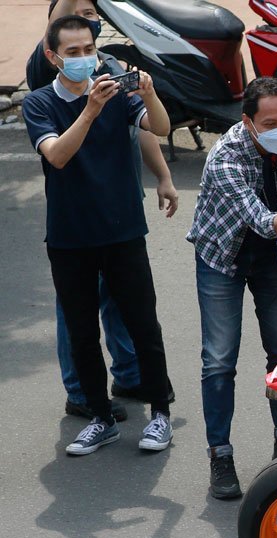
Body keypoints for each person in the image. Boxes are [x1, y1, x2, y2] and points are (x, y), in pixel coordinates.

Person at [22, 14, 174, 455]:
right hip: (70, 238)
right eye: (73, 53)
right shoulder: (38, 105)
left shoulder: (118, 93)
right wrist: (90, 109)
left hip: (124, 231)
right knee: (83, 332)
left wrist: (149, 92)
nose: (84, 59)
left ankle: (160, 414)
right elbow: (58, 156)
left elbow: (160, 129)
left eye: (89, 50)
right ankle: (100, 417)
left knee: (143, 325)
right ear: (53, 58)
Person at [188, 77, 277, 499]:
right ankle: (220, 454)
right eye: (271, 123)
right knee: (218, 359)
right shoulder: (225, 157)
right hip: (223, 259)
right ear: (247, 122)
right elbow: (265, 222)